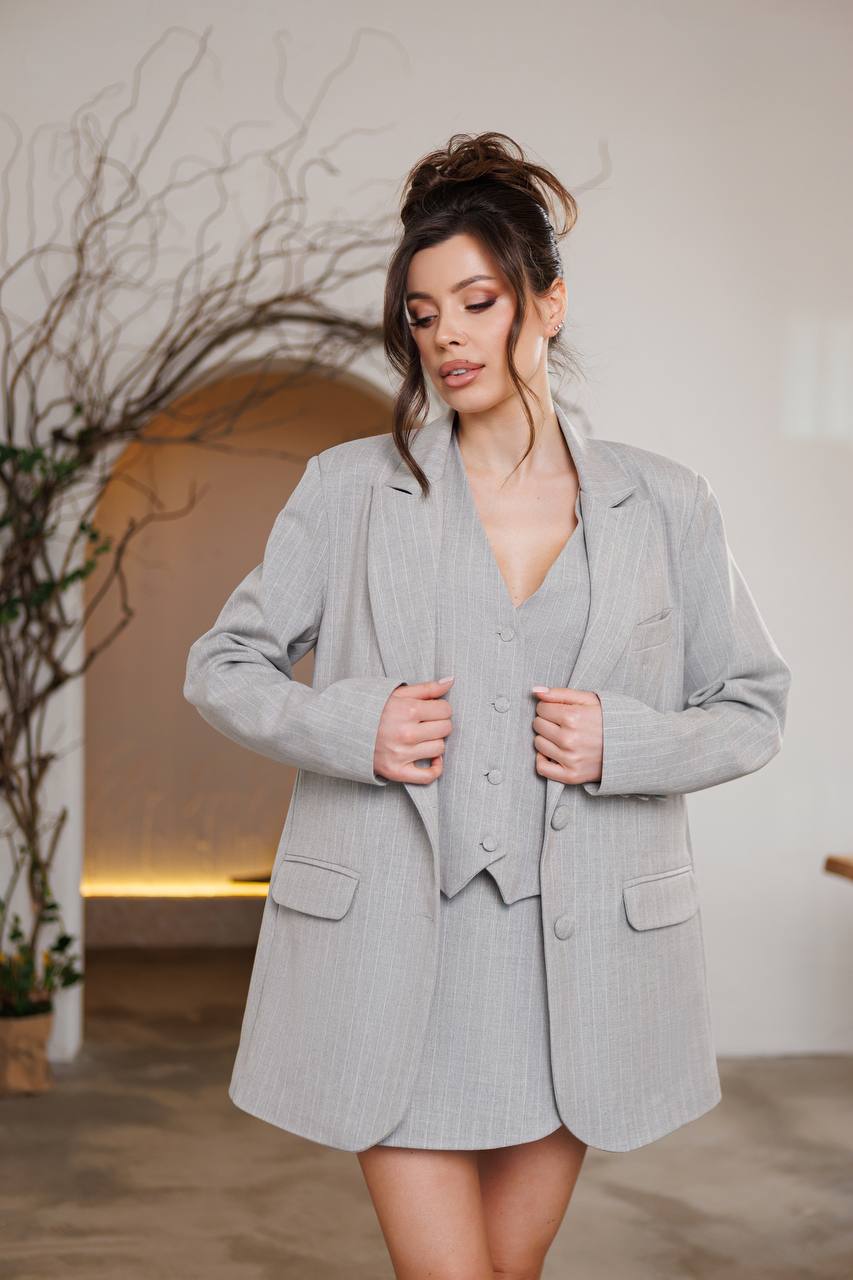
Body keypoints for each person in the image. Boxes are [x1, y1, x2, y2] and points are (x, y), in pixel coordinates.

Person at [183, 132, 792, 1280]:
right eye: (421, 314)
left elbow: (754, 704)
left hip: (576, 962)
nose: (446, 335)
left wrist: (632, 739)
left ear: (545, 305)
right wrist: (350, 724)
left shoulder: (664, 503)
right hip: (394, 953)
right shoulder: (350, 488)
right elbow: (224, 661)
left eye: (475, 300)